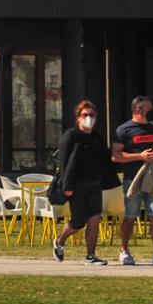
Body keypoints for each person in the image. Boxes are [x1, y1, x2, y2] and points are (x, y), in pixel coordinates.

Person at [52, 100, 120, 265]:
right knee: (78, 222)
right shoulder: (71, 136)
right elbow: (63, 162)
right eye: (85, 115)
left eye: (91, 115)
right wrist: (66, 186)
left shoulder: (96, 137)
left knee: (94, 220)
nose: (89, 118)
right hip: (76, 187)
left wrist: (109, 181)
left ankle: (91, 255)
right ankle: (59, 241)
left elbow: (105, 160)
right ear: (78, 118)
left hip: (94, 185)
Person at [112, 96, 153, 266]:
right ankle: (124, 251)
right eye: (148, 109)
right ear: (138, 109)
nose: (151, 112)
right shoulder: (124, 130)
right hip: (133, 179)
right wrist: (140, 156)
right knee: (130, 216)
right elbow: (116, 156)